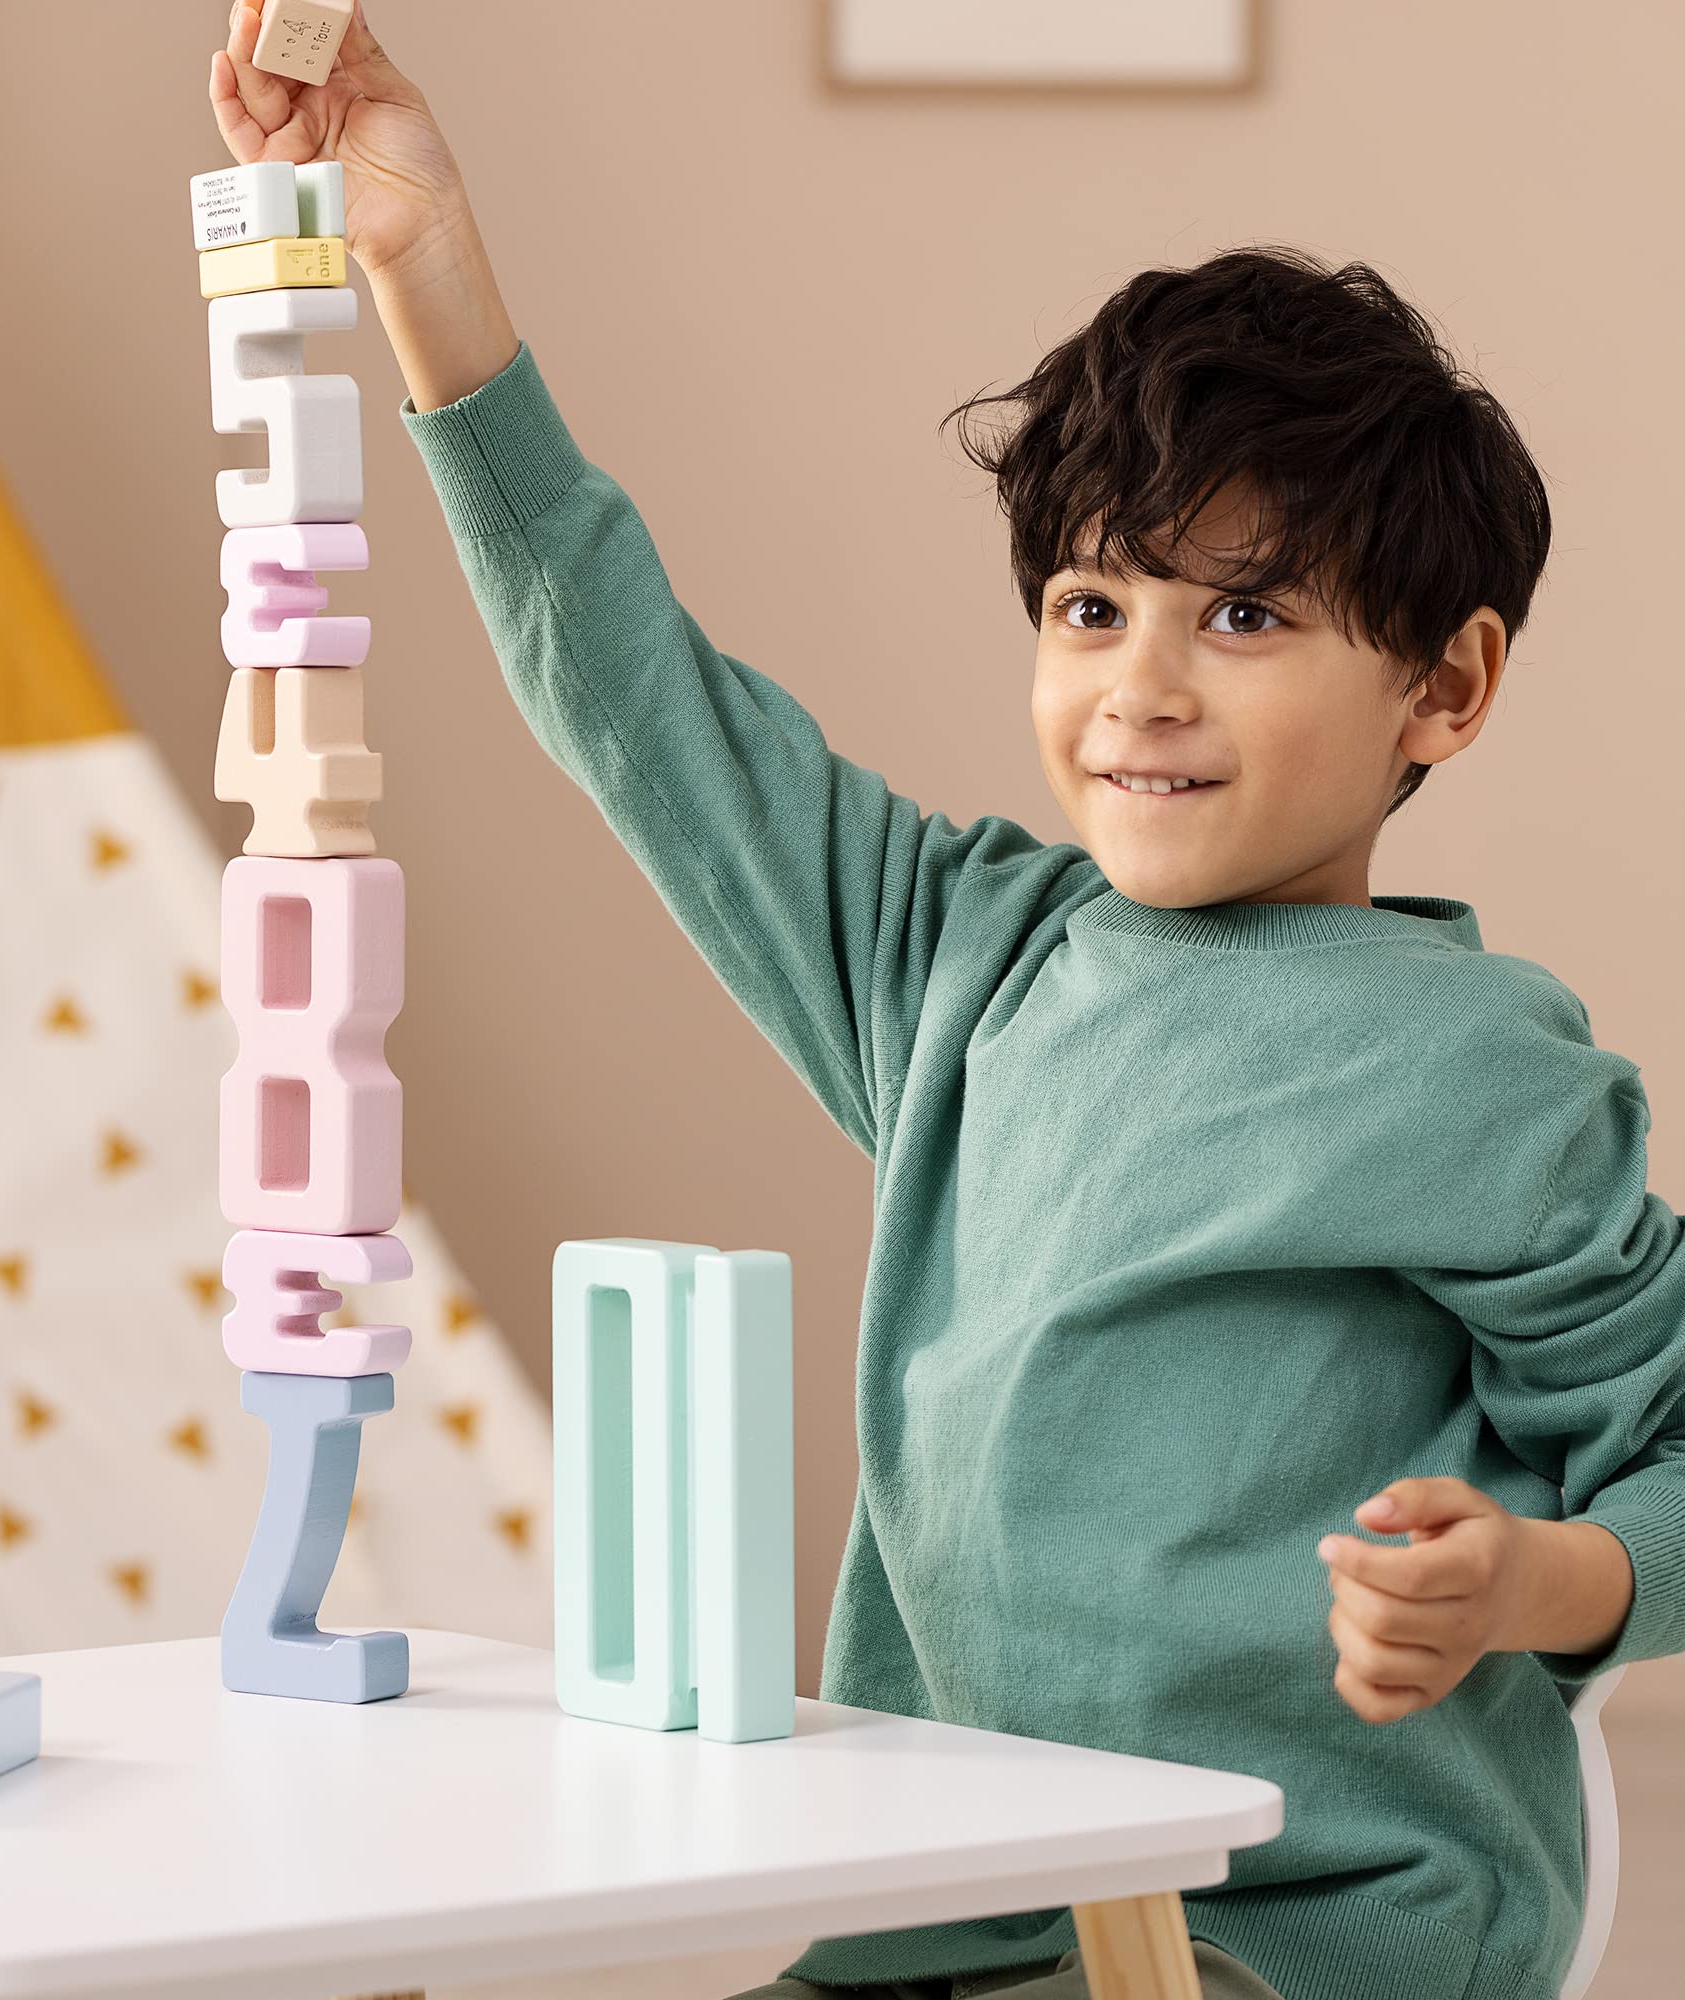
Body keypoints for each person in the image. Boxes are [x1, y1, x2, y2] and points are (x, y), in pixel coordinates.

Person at [207, 8, 1685, 1996]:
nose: (1140, 689)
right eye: (1092, 607)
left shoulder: (1482, 1075)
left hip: (1298, 1929)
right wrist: (424, 271)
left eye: (1242, 615)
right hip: (943, 1907)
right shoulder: (954, 956)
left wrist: (1541, 1581)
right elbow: (633, 688)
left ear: (1444, 686)